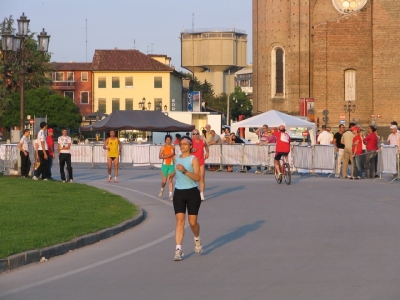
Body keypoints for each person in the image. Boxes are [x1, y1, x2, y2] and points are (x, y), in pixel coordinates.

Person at [170, 136, 202, 261]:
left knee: (192, 222)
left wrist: (184, 171)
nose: (182, 146)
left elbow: (198, 177)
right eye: (180, 144)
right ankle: (178, 249)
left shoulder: (193, 160)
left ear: (190, 146)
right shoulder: (176, 158)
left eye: (184, 144)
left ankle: (197, 238)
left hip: (192, 193)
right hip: (179, 193)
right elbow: (175, 171)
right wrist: (171, 174)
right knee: (180, 221)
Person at [191, 129, 209, 201]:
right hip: (193, 162)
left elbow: (206, 147)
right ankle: (193, 193)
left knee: (201, 177)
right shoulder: (190, 141)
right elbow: (185, 149)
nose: (195, 135)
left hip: (201, 162)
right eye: (194, 134)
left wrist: (207, 153)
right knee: (194, 178)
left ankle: (201, 194)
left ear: (199, 134)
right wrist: (191, 150)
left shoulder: (202, 141)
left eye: (197, 134)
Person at [158, 134, 175, 201]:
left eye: (169, 140)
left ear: (171, 140)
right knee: (164, 181)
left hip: (171, 165)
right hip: (165, 165)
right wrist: (167, 156)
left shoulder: (173, 147)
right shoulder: (163, 147)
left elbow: (174, 155)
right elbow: (160, 156)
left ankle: (170, 195)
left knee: (170, 179)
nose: (168, 141)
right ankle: (162, 189)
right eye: (167, 139)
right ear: (165, 140)